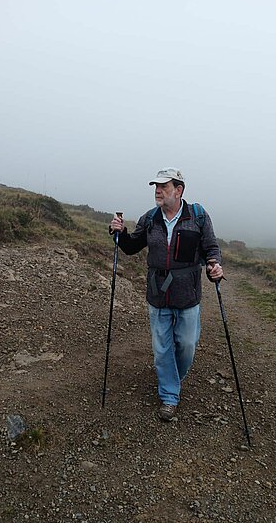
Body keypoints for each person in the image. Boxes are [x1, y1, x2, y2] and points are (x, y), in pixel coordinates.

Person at [110, 168, 223, 421]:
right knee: (162, 349)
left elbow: (211, 248)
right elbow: (130, 247)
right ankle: (169, 395)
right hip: (158, 293)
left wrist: (214, 264)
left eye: (163, 187)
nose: (158, 191)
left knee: (187, 345)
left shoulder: (198, 216)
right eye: (155, 187)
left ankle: (171, 377)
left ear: (179, 190)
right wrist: (119, 233)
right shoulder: (150, 218)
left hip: (188, 294)